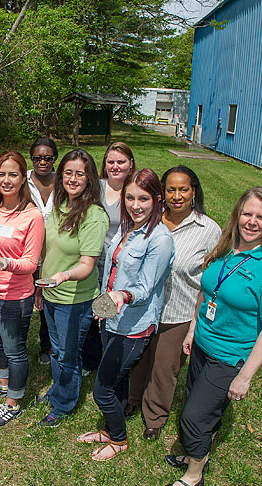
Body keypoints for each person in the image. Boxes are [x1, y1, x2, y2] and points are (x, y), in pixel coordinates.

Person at [161, 187, 262, 486]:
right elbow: (207, 291)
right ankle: (195, 449)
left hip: (230, 356)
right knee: (199, 405)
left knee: (193, 417)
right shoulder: (228, 246)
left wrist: (245, 376)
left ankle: (194, 473)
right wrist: (193, 329)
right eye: (247, 214)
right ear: (237, 215)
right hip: (203, 344)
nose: (252, 222)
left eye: (261, 217)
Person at [77, 168, 174, 460]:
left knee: (102, 391)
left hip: (133, 326)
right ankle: (109, 430)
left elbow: (145, 288)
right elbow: (112, 272)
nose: (135, 205)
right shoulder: (127, 227)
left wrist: (122, 296)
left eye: (143, 198)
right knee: (117, 382)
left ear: (157, 199)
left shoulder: (160, 239)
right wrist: (104, 307)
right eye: (130, 197)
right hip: (112, 319)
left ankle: (119, 439)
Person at [127, 166, 221, 440]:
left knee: (164, 367)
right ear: (162, 194)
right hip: (142, 307)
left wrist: (197, 320)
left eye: (183, 189)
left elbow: (212, 279)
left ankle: (154, 416)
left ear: (194, 192)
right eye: (171, 189)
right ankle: (131, 399)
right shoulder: (149, 221)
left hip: (179, 310)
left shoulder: (208, 230)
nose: (177, 195)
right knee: (138, 358)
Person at [36, 150, 108, 427]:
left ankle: (63, 405)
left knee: (68, 354)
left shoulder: (94, 215)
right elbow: (49, 252)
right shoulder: (58, 205)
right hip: (52, 293)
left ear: (89, 178)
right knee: (56, 350)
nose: (73, 178)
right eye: (68, 172)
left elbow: (87, 264)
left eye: (80, 173)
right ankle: (58, 390)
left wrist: (63, 276)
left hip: (75, 300)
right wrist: (42, 287)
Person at [0, 151, 44, 427]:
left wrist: (6, 263)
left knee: (14, 350)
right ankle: (4, 384)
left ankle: (13, 402)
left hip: (14, 296)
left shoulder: (32, 216)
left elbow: (30, 263)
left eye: (13, 174)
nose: (6, 180)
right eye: (1, 174)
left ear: (23, 178)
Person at [81, 142, 136, 375]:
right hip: (93, 260)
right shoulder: (96, 188)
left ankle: (116, 358)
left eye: (121, 162)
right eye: (111, 162)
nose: (115, 167)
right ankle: (91, 360)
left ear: (130, 164)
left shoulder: (134, 191)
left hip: (121, 263)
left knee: (116, 308)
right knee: (92, 310)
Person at [27, 137, 58, 365]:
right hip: (27, 248)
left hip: (55, 250)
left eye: (47, 157)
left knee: (49, 297)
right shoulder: (23, 180)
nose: (43, 162)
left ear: (54, 158)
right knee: (25, 298)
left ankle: (47, 346)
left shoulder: (64, 181)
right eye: (38, 158)